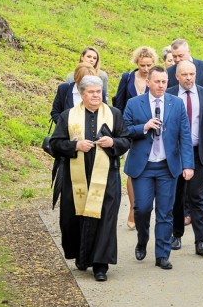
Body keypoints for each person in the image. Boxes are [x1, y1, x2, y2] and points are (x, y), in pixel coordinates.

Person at [48, 76, 130, 282]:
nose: (96, 95)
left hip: (107, 177)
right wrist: (75, 146)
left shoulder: (114, 114)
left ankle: (101, 265)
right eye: (91, 92)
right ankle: (82, 257)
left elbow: (126, 140)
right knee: (77, 217)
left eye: (99, 91)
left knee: (105, 219)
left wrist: (113, 142)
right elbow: (55, 144)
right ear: (82, 94)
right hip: (76, 177)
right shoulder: (68, 116)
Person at [123, 66, 193, 271]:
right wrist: (143, 127)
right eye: (157, 82)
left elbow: (185, 136)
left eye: (164, 82)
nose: (161, 85)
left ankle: (162, 254)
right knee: (142, 208)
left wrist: (188, 164)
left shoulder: (176, 104)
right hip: (142, 167)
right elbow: (125, 130)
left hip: (167, 167)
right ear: (148, 82)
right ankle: (142, 239)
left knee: (165, 212)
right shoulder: (134, 104)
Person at [166, 61, 203, 257]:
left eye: (191, 74)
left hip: (198, 153)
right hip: (175, 154)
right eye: (184, 74)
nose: (188, 78)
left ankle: (200, 241)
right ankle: (176, 234)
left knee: (196, 197)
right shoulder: (169, 94)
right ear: (177, 76)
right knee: (177, 196)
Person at [113, 46, 157, 229]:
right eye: (142, 65)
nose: (146, 69)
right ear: (136, 63)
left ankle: (146, 208)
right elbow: (120, 103)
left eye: (149, 65)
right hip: (131, 130)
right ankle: (133, 208)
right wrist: (122, 127)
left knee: (152, 168)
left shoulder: (157, 80)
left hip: (153, 131)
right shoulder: (128, 78)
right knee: (133, 170)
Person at [165, 39, 203, 109]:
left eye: (180, 56)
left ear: (189, 52)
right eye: (174, 56)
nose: (177, 59)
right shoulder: (169, 72)